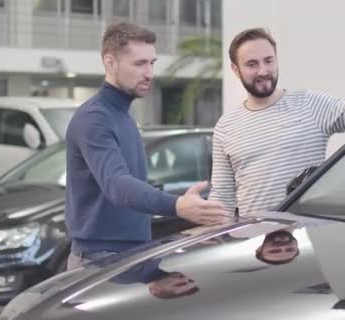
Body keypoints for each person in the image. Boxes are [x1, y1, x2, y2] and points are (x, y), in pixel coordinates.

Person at [65, 22, 229, 270]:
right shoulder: (95, 118)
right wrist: (177, 206)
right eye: (140, 63)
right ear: (110, 63)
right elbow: (117, 185)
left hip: (130, 255)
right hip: (100, 262)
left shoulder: (124, 116)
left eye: (152, 63)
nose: (150, 73)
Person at [209, 28, 345, 216]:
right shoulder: (226, 127)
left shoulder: (309, 104)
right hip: (251, 243)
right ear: (235, 69)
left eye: (269, 60)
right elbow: (222, 197)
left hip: (305, 240)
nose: (263, 71)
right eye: (252, 64)